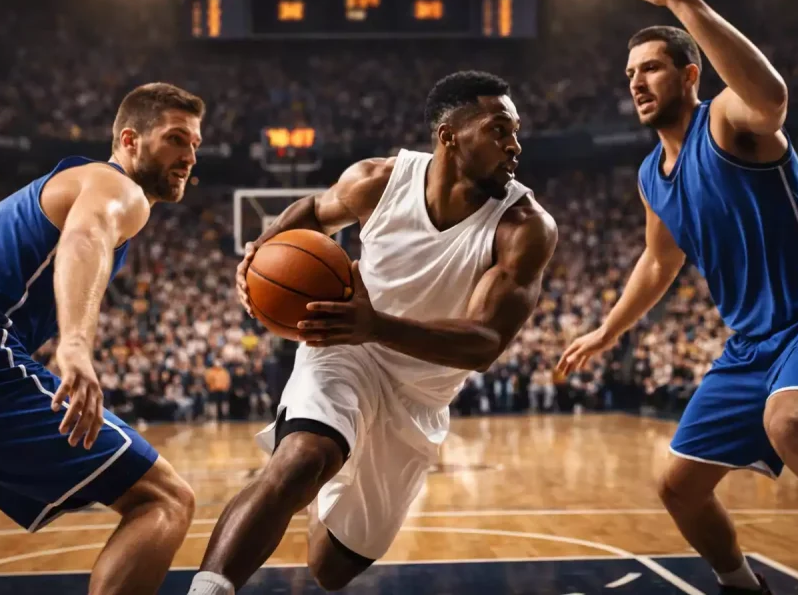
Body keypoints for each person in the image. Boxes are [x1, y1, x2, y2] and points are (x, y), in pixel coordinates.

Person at [556, 0, 798, 594]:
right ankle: (743, 586)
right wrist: (607, 328)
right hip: (753, 343)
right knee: (678, 486)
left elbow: (772, 99)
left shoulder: (726, 119)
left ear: (689, 74)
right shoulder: (651, 174)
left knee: (791, 420)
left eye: (651, 67)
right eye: (629, 72)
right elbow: (659, 262)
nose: (636, 81)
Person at [186, 71, 558, 595]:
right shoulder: (380, 180)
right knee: (301, 460)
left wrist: (378, 324)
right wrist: (258, 255)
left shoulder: (524, 226)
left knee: (332, 569)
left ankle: (331, 464)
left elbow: (483, 344)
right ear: (449, 135)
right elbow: (313, 214)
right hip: (346, 348)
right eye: (499, 129)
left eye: (515, 131)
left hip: (420, 392)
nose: (514, 145)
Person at [0, 83, 204, 595]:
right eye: (176, 139)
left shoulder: (68, 184)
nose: (188, 156)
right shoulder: (116, 187)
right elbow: (86, 236)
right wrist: (75, 344)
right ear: (130, 139)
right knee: (164, 500)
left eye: (195, 145)